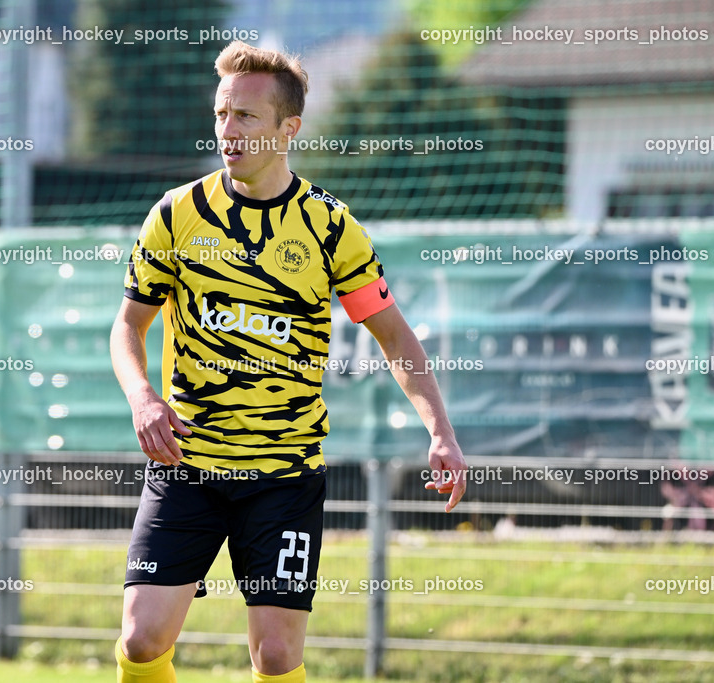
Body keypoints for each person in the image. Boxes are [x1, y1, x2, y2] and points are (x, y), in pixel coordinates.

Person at [110, 40, 467, 683]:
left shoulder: (330, 227)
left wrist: (439, 432)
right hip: (187, 467)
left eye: (246, 117)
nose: (228, 130)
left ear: (287, 129)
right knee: (139, 640)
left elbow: (395, 337)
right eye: (222, 114)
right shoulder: (177, 214)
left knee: (275, 657)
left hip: (284, 479)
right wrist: (143, 397)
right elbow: (129, 325)